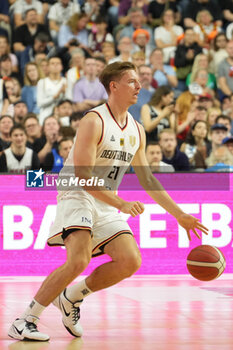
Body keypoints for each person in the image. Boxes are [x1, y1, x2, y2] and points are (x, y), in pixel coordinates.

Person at [8, 61, 208, 341]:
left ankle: (72, 296)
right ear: (113, 86)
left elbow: (148, 180)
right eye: (131, 81)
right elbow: (82, 175)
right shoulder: (94, 120)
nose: (139, 87)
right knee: (79, 260)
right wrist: (121, 204)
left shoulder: (137, 129)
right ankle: (25, 320)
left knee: (130, 260)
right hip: (76, 192)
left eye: (139, 81)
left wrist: (180, 215)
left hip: (105, 200)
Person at [37, 56, 67, 125]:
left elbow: (69, 101)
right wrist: (55, 96)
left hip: (62, 116)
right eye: (52, 63)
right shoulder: (42, 82)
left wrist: (64, 94)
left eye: (57, 63)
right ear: (48, 67)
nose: (55, 65)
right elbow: (40, 103)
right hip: (45, 115)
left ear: (61, 67)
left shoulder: (65, 81)